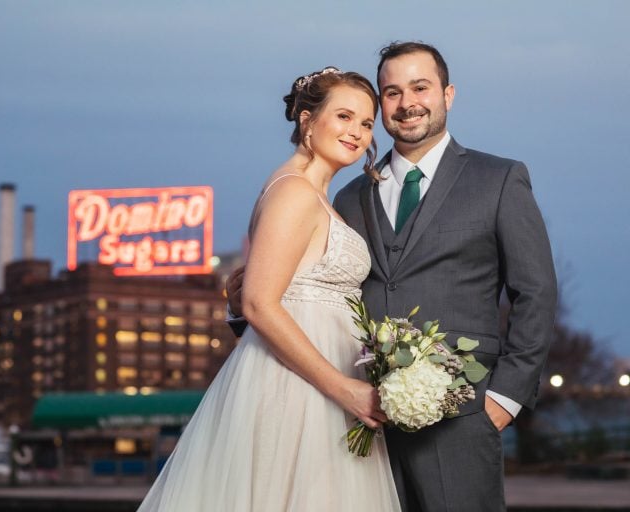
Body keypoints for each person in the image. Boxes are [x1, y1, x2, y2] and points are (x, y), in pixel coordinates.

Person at [228, 42, 557, 512]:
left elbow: (536, 292)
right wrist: (237, 302)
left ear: (448, 94)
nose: (407, 103)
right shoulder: (347, 197)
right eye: (391, 92)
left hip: (461, 418)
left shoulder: (499, 179)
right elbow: (300, 295)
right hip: (353, 422)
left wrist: (504, 400)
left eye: (420, 87)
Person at [137, 68, 401, 512]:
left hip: (320, 383)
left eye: (366, 123)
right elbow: (259, 302)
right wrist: (343, 388)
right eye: (344, 116)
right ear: (306, 121)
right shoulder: (294, 192)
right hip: (301, 393)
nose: (356, 132)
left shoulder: (316, 195)